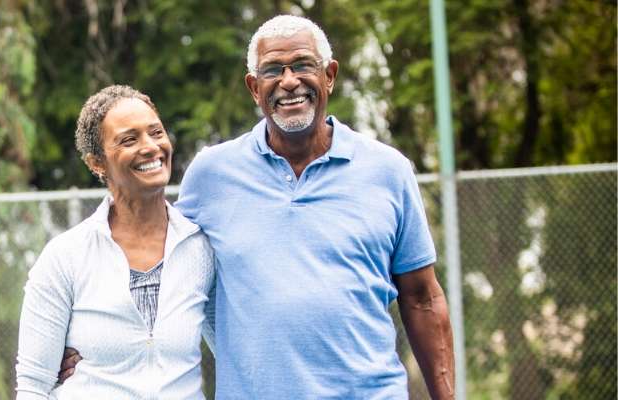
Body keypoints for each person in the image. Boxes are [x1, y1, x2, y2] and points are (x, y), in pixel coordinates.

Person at [60, 15, 455, 399]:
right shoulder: (211, 175)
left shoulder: (388, 171)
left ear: (329, 75)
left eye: (303, 65)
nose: (289, 81)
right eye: (272, 70)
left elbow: (422, 297)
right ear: (254, 87)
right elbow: (156, 263)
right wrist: (85, 338)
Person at [14, 85, 216, 399]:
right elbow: (32, 386)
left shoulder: (200, 248)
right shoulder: (66, 257)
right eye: (129, 139)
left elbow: (233, 349)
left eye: (156, 132)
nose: (150, 147)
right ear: (97, 163)